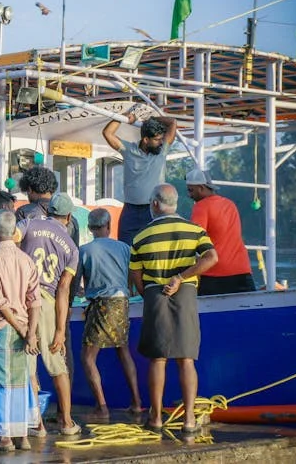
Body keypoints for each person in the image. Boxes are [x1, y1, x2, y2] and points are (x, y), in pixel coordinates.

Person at [130, 184, 218, 434]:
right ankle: (189, 419)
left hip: (155, 295)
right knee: (186, 359)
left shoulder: (141, 236)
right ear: (176, 203)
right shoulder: (195, 230)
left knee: (158, 359)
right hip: (186, 294)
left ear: (155, 204)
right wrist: (182, 276)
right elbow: (212, 257)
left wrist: (148, 293)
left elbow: (136, 274)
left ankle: (156, 418)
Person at [16, 193, 81, 436]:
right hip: (48, 302)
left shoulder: (30, 223)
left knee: (28, 364)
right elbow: (64, 289)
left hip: (22, 299)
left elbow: (11, 237)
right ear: (69, 217)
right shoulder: (72, 247)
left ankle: (37, 425)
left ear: (48, 210)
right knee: (57, 364)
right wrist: (61, 330)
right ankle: (66, 422)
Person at [0, 210, 40, 452]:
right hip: (24, 325)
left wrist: (23, 330)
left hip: (0, 328)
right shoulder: (26, 260)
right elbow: (35, 301)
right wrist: (30, 332)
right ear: (14, 233)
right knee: (20, 382)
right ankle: (22, 436)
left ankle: (4, 438)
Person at [14, 166, 80, 384]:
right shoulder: (73, 223)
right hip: (58, 295)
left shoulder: (25, 214)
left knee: (28, 351)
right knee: (59, 349)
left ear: (31, 189)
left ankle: (35, 412)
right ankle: (65, 412)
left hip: (26, 295)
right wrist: (69, 302)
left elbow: (12, 247)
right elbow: (73, 264)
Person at [77, 208, 142, 419]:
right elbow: (133, 277)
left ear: (89, 228)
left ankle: (102, 407)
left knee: (88, 357)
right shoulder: (124, 248)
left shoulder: (84, 251)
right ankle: (137, 402)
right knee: (123, 351)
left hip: (101, 305)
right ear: (109, 226)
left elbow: (79, 284)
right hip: (122, 302)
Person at [102, 110, 177, 245]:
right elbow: (107, 133)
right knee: (125, 248)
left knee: (153, 248)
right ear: (146, 139)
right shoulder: (129, 149)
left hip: (154, 209)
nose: (161, 142)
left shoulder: (162, 151)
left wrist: (151, 119)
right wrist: (122, 118)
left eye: (161, 139)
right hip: (130, 210)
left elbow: (172, 123)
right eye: (157, 139)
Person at [186, 168, 256, 295]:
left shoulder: (201, 207)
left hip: (215, 275)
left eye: (191, 190)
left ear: (201, 188)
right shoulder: (230, 204)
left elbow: (193, 240)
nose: (189, 195)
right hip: (242, 271)